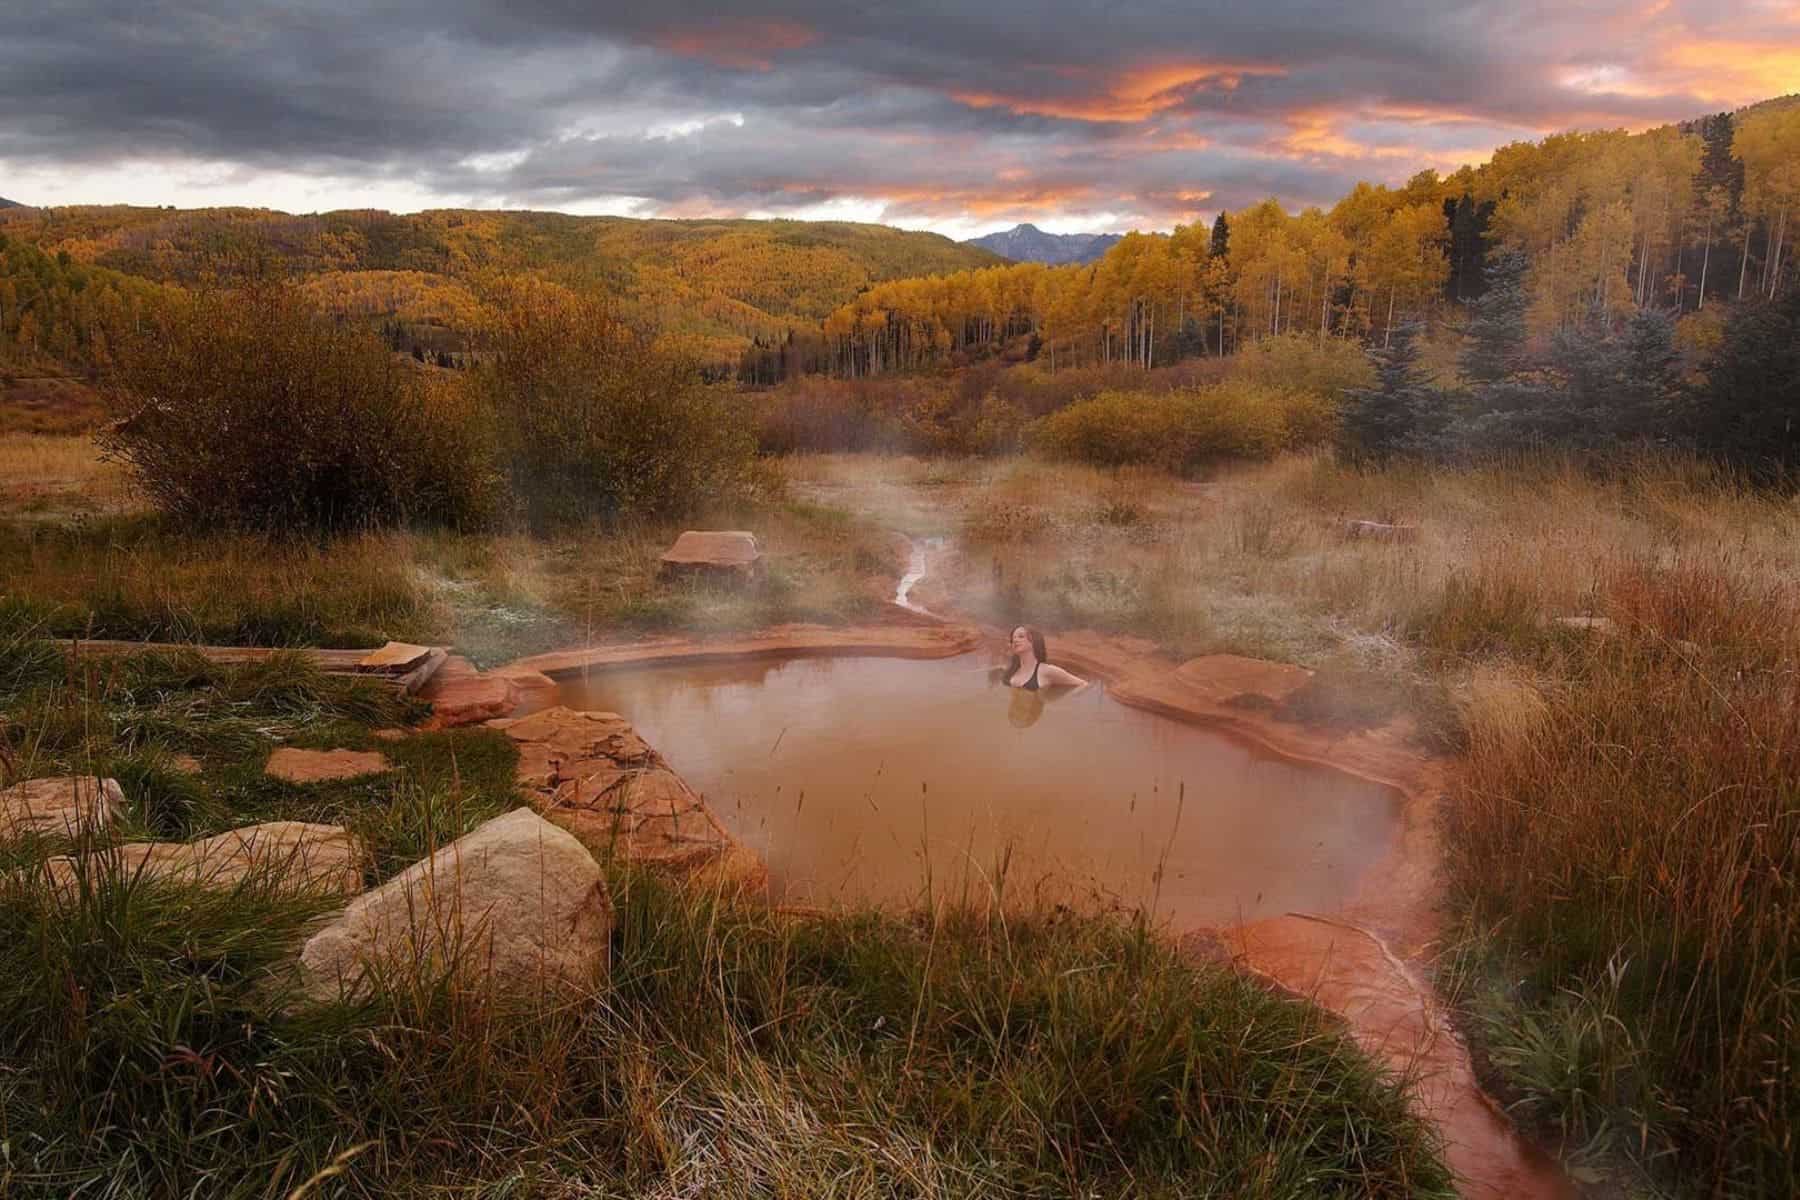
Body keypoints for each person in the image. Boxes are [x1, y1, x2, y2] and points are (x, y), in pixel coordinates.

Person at [1002, 625, 1087, 691]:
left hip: (1032, 713)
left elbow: (1083, 684)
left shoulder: (1047, 671)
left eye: (1021, 636)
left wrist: (1064, 702)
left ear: (1034, 641)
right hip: (1012, 713)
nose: (1015, 640)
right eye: (1013, 638)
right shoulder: (1012, 669)